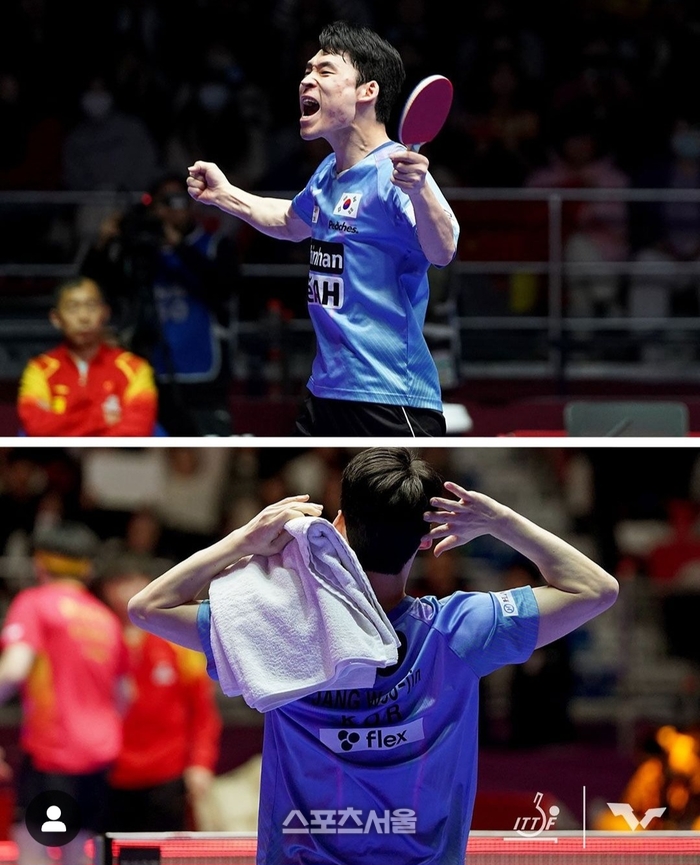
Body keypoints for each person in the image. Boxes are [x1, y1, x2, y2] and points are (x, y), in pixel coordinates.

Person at [127, 446, 619, 864]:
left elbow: (148, 608)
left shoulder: (278, 629)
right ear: (425, 541)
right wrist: (500, 522)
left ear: (338, 527)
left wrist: (245, 538)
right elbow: (596, 589)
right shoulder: (459, 631)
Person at [186, 21, 460, 437]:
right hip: (326, 391)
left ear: (367, 91)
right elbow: (289, 222)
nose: (306, 80)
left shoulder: (395, 173)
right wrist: (225, 195)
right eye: (307, 70)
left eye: (325, 70)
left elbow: (443, 251)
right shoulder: (328, 172)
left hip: (389, 397)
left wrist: (420, 190)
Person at [0, 521, 128, 865]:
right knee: (80, 851)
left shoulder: (34, 604)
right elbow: (123, 696)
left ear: (39, 563)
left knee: (33, 849)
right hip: (99, 756)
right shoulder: (106, 619)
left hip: (53, 752)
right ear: (87, 569)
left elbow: (13, 669)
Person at [81, 173, 240, 436]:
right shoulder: (140, 252)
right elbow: (92, 291)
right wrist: (103, 244)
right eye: (162, 203)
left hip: (203, 378)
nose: (169, 211)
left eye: (176, 201)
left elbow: (221, 288)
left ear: (192, 205)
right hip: (149, 375)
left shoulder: (215, 245)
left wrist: (178, 246)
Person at [93, 555, 222, 832]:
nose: (126, 591)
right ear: (105, 589)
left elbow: (203, 711)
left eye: (134, 582)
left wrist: (200, 763)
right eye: (118, 583)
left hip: (166, 775)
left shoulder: (178, 641)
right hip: (108, 774)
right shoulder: (95, 639)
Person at [16, 276, 158, 437]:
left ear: (105, 313)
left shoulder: (135, 368)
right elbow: (37, 428)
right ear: (56, 318)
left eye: (91, 306)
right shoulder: (39, 370)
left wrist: (61, 420)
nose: (83, 317)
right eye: (73, 308)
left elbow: (137, 430)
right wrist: (102, 419)